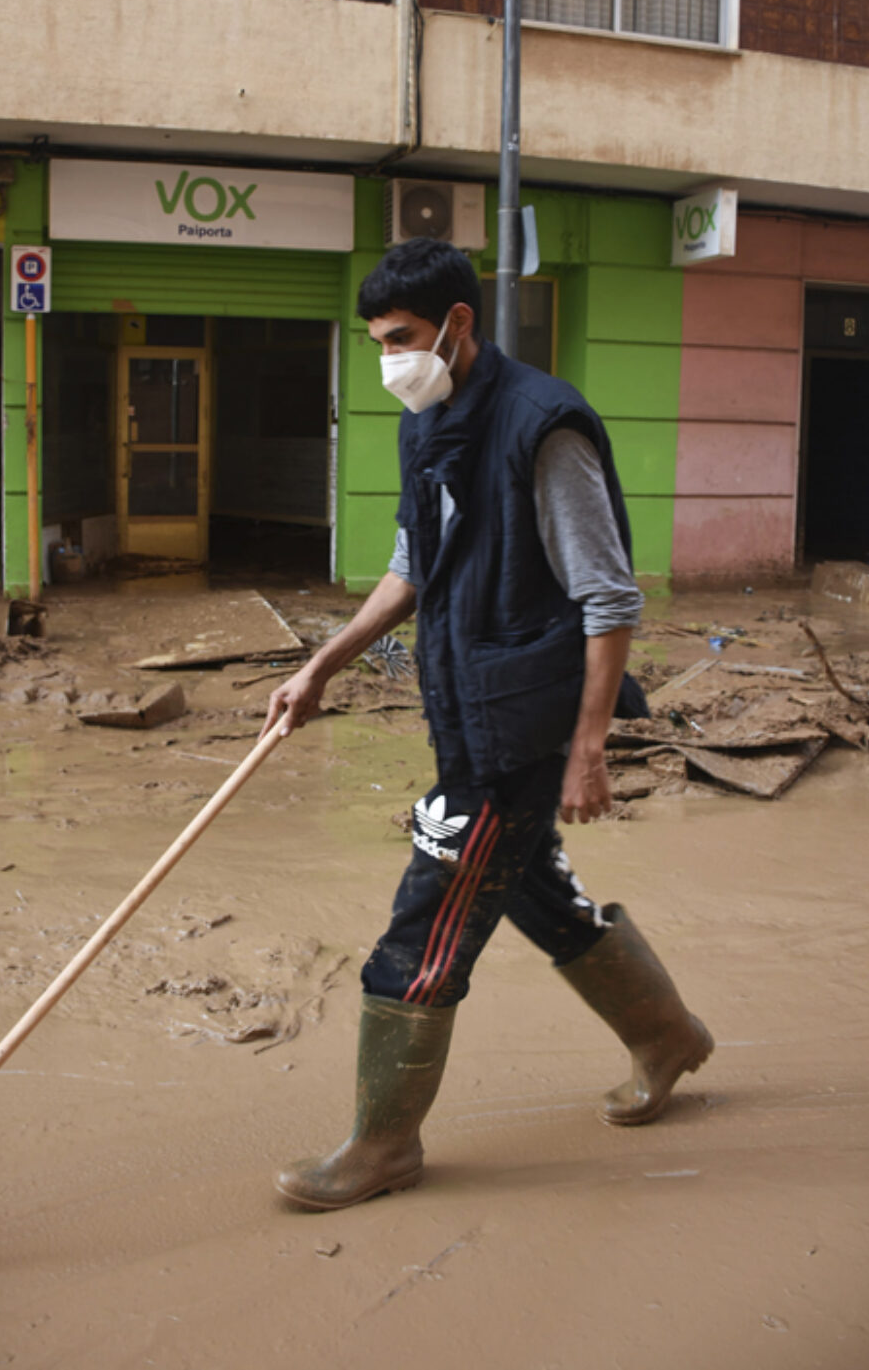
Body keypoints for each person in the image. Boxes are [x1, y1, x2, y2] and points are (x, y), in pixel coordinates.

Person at [262, 238, 713, 1212]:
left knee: (423, 923)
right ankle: (667, 1035)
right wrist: (319, 667)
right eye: (376, 342)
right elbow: (409, 568)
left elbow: (608, 597)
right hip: (462, 710)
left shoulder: (541, 425)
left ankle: (381, 1147)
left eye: (402, 339)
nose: (389, 361)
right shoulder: (425, 422)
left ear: (458, 325)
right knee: (527, 886)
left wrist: (586, 751)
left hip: (521, 728)